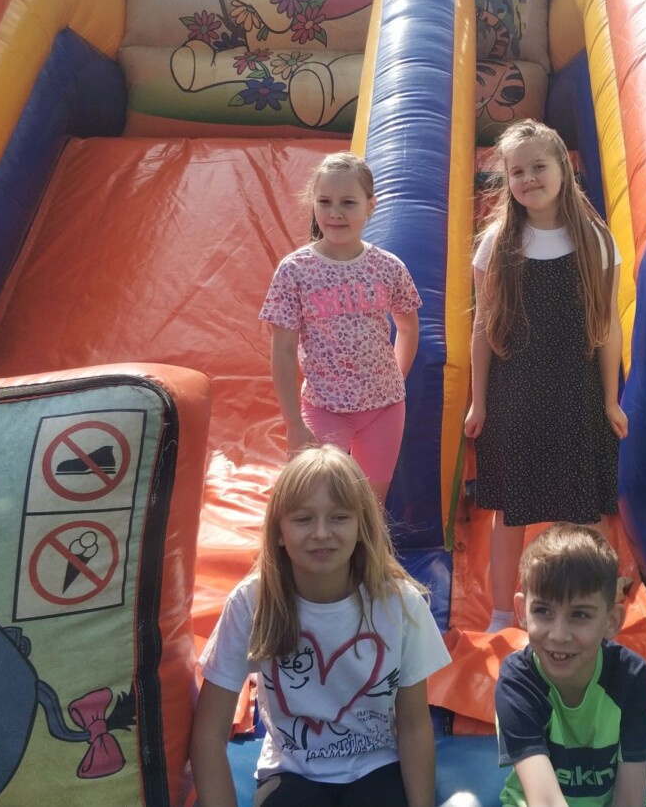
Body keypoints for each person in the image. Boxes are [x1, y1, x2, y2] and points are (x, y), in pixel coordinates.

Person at [191, 446, 451, 807]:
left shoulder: (398, 604)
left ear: (361, 526)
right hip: (292, 770)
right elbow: (209, 732)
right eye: (303, 519)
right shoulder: (252, 602)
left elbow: (413, 723)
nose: (321, 532)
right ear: (279, 531)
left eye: (339, 517)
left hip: (375, 764)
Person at [464, 119, 628, 633]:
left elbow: (607, 326)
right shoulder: (498, 242)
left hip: (577, 391)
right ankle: (501, 612)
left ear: (563, 169)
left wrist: (610, 399)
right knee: (510, 509)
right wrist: (479, 402)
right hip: (515, 393)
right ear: (507, 181)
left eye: (539, 166)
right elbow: (482, 327)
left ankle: (598, 604)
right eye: (517, 172)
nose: (529, 178)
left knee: (585, 506)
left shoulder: (595, 241)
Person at [261, 152, 421, 503]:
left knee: (370, 505)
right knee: (314, 499)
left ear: (370, 206)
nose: (335, 213)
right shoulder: (296, 270)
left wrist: (396, 379)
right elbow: (283, 350)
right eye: (325, 202)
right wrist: (293, 423)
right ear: (313, 203)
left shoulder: (387, 267)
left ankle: (368, 545)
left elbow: (408, 327)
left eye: (348, 202)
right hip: (325, 407)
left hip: (384, 408)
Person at [495, 523, 646, 807]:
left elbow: (629, 800)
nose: (559, 635)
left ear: (611, 622)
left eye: (580, 615)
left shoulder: (633, 679)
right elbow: (545, 802)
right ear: (522, 612)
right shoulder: (518, 684)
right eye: (543, 611)